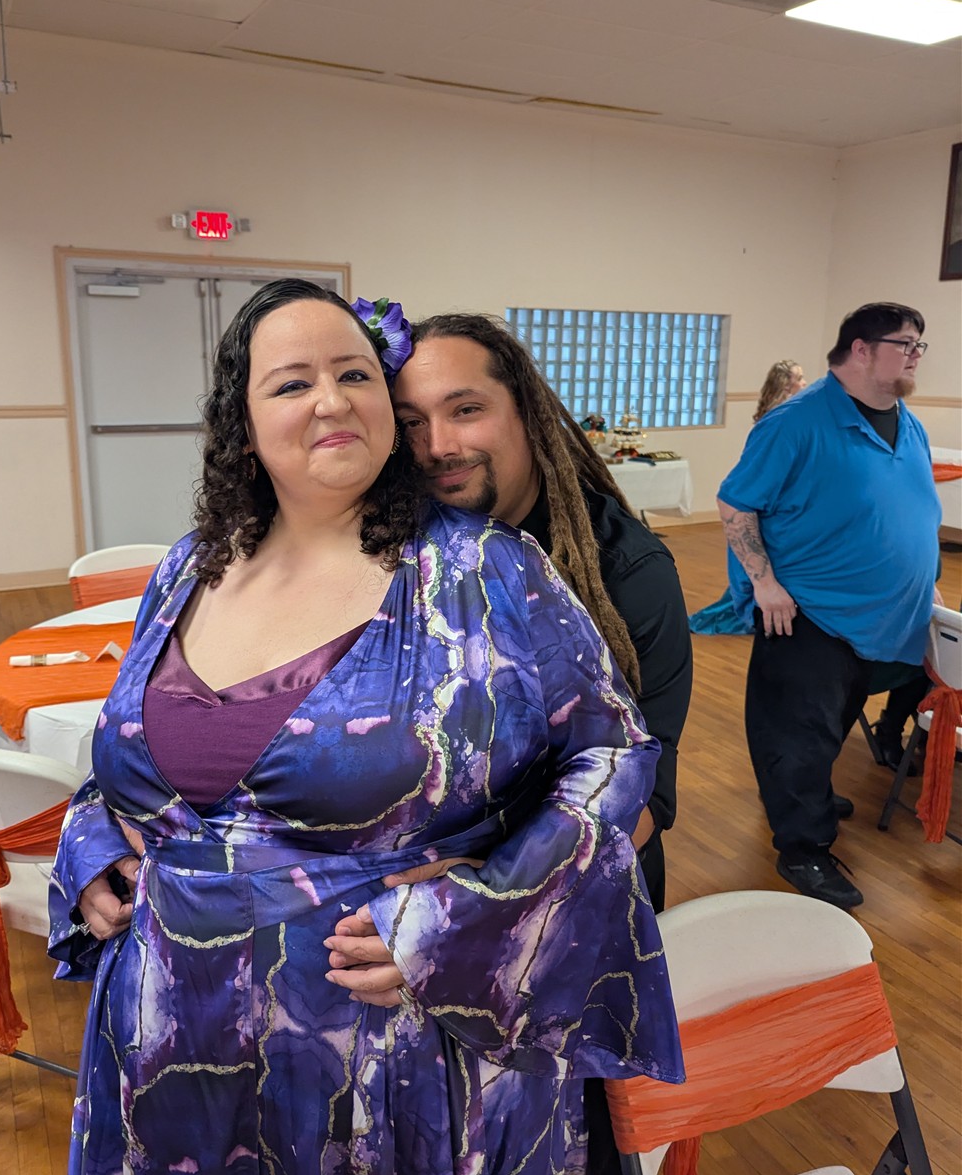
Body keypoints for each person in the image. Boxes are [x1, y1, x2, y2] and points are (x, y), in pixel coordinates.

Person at [49, 280, 682, 1175]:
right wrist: (94, 841)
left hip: (388, 1066)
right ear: (242, 426)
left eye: (354, 374)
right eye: (291, 382)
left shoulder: (485, 570)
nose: (331, 400)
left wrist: (472, 915)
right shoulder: (191, 565)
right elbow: (143, 757)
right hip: (173, 1046)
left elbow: (613, 759)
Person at [392, 312, 693, 914]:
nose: (438, 446)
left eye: (466, 409)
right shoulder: (397, 553)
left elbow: (641, 801)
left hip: (569, 901)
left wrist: (484, 898)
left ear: (527, 413)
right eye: (411, 423)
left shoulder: (622, 572)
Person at [717, 302, 941, 910]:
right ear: (861, 348)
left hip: (880, 616)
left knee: (831, 724)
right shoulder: (797, 422)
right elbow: (737, 503)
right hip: (809, 611)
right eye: (905, 344)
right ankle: (803, 849)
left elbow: (913, 508)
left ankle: (803, 795)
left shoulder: (905, 422)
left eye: (920, 346)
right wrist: (764, 582)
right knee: (799, 733)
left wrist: (926, 580)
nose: (916, 356)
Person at [690, 359, 808, 636]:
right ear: (787, 385)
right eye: (800, 378)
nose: (805, 383)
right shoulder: (778, 421)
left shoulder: (793, 417)